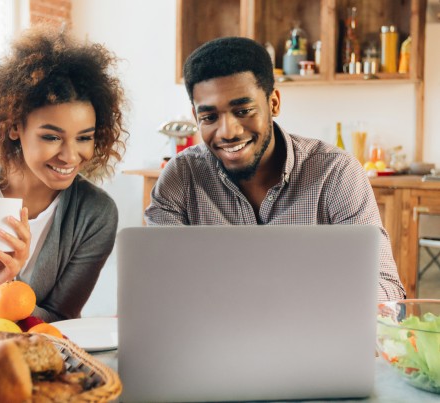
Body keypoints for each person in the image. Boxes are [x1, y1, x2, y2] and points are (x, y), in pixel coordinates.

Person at [145, 36, 405, 302]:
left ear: (274, 103)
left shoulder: (335, 173)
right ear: (195, 117)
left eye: (243, 110)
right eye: (209, 117)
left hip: (312, 336)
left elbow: (385, 289)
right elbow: (161, 287)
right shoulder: (181, 177)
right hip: (214, 338)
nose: (228, 132)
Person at [0, 24, 128, 339]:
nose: (70, 156)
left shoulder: (95, 213)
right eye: (51, 137)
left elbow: (60, 322)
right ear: (14, 127)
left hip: (40, 360)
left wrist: (6, 286)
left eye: (84, 138)